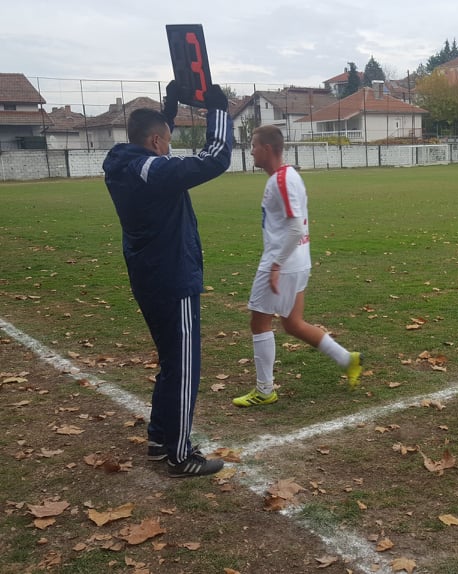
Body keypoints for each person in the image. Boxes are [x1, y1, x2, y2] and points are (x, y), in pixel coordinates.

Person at [103, 81, 233, 477]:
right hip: (172, 277)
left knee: (172, 363)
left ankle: (161, 439)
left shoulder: (123, 162)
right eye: (167, 139)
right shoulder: (150, 170)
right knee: (184, 367)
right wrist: (219, 113)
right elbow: (213, 160)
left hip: (150, 275)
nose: (169, 146)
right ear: (158, 142)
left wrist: (169, 111)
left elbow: (155, 144)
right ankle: (179, 455)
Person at [232, 125, 363, 408]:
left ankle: (265, 390)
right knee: (292, 323)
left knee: (259, 322)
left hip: (283, 262)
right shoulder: (289, 176)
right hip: (299, 259)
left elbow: (294, 226)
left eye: (253, 145)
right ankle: (346, 359)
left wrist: (276, 264)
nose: (251, 151)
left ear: (267, 149)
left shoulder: (281, 180)